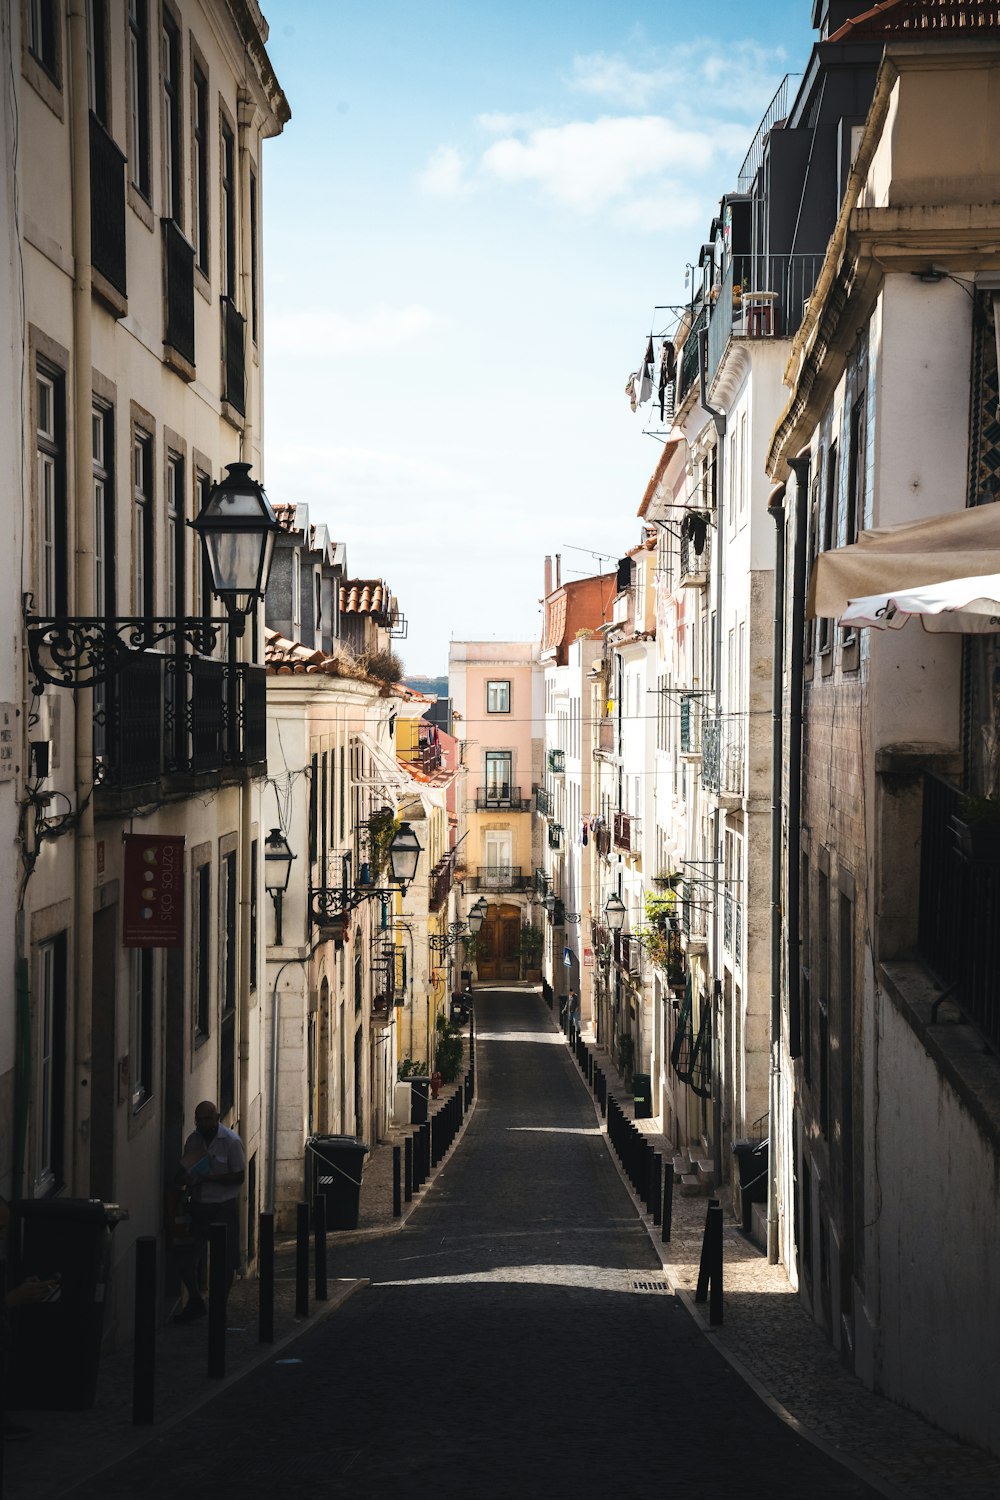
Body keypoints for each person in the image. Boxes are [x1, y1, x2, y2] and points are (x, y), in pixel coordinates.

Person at [172, 1101, 245, 1324]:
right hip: (198, 1205)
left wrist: (210, 1177)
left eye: (207, 1119)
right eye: (199, 1120)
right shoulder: (193, 1141)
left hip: (223, 1207)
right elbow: (183, 1170)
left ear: (217, 1117)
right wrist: (185, 1178)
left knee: (226, 1262)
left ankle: (219, 1307)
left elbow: (239, 1176)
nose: (203, 1124)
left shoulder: (231, 1142)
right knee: (184, 1259)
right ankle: (195, 1300)